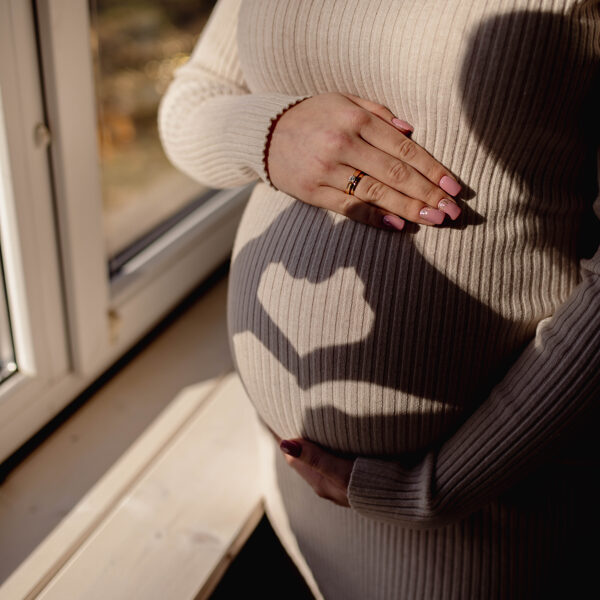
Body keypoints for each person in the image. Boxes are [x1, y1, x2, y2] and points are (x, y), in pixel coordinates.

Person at [158, 0, 600, 598]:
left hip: (492, 509)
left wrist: (442, 487)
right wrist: (271, 133)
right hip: (297, 488)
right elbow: (193, 97)